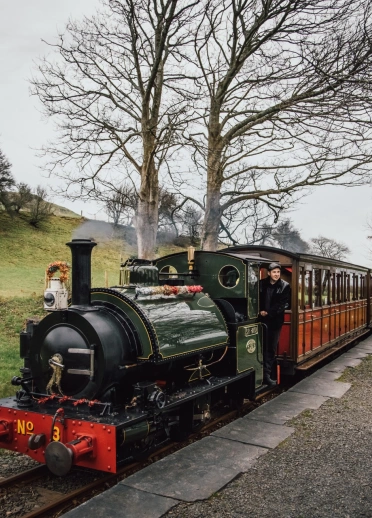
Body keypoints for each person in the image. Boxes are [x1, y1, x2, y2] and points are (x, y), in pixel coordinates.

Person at [259, 262, 290, 386]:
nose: (276, 274)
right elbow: (257, 299)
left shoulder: (285, 286)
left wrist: (268, 313)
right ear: (269, 273)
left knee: (270, 348)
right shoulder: (261, 284)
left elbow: (281, 305)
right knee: (261, 347)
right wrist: (260, 311)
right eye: (274, 272)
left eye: (278, 272)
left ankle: (266, 375)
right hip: (260, 320)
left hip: (274, 322)